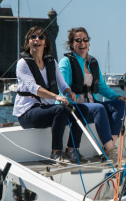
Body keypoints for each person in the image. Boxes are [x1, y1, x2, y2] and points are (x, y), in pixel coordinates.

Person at [59, 27, 126, 163]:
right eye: (77, 40)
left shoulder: (92, 63)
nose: (82, 43)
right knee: (99, 108)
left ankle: (108, 147)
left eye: (85, 40)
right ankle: (111, 151)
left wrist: (116, 97)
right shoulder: (66, 62)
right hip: (74, 106)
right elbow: (63, 86)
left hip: (91, 103)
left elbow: (101, 86)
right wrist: (69, 94)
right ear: (71, 44)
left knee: (120, 105)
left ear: (89, 43)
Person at [13, 26, 79, 164]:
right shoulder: (22, 64)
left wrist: (68, 92)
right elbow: (33, 88)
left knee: (79, 110)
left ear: (46, 43)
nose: (37, 40)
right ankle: (56, 153)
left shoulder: (51, 62)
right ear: (28, 42)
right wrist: (56, 97)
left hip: (46, 110)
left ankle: (72, 150)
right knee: (60, 110)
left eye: (41, 37)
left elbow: (62, 84)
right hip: (27, 113)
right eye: (33, 37)